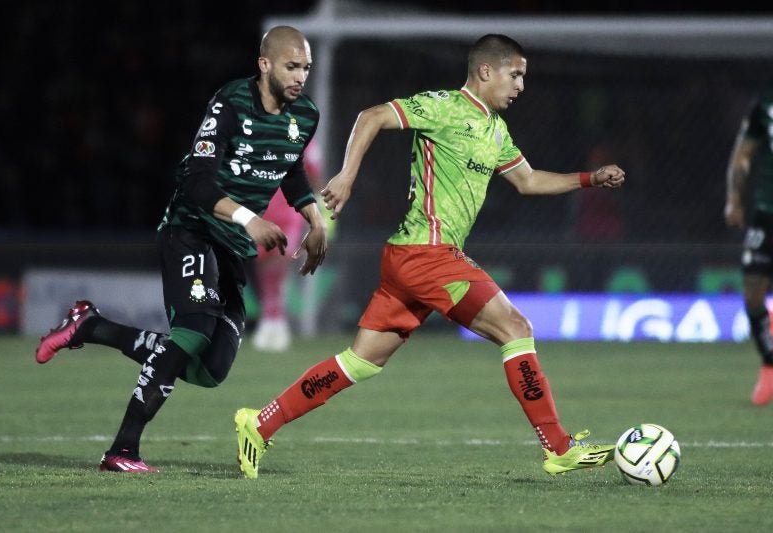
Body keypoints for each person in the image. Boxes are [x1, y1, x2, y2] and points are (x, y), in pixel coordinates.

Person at [234, 34, 625, 479]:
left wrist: (590, 179)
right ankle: (557, 446)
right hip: (427, 253)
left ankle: (260, 422)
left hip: (412, 258)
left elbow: (529, 181)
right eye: (514, 75)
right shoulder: (444, 107)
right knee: (516, 328)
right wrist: (346, 176)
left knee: (361, 360)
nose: (520, 86)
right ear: (485, 71)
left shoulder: (496, 130)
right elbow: (372, 116)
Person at [34, 25, 328, 472]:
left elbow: (289, 170)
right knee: (191, 332)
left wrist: (314, 217)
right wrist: (251, 218)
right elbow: (195, 179)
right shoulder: (230, 103)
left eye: (305, 67)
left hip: (230, 247)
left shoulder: (304, 116)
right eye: (292, 66)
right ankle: (122, 450)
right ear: (264, 64)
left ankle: (91, 326)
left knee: (211, 370)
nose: (300, 76)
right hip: (189, 228)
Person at [251, 141, 324, 352]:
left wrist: (318, 203)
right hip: (261, 206)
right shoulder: (257, 135)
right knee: (264, 264)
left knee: (279, 262)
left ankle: (275, 321)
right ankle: (270, 318)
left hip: (290, 208)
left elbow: (314, 172)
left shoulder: (303, 139)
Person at [724, 91, 773, 406]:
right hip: (766, 212)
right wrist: (734, 198)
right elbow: (742, 155)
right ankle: (770, 362)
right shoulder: (764, 105)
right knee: (752, 291)